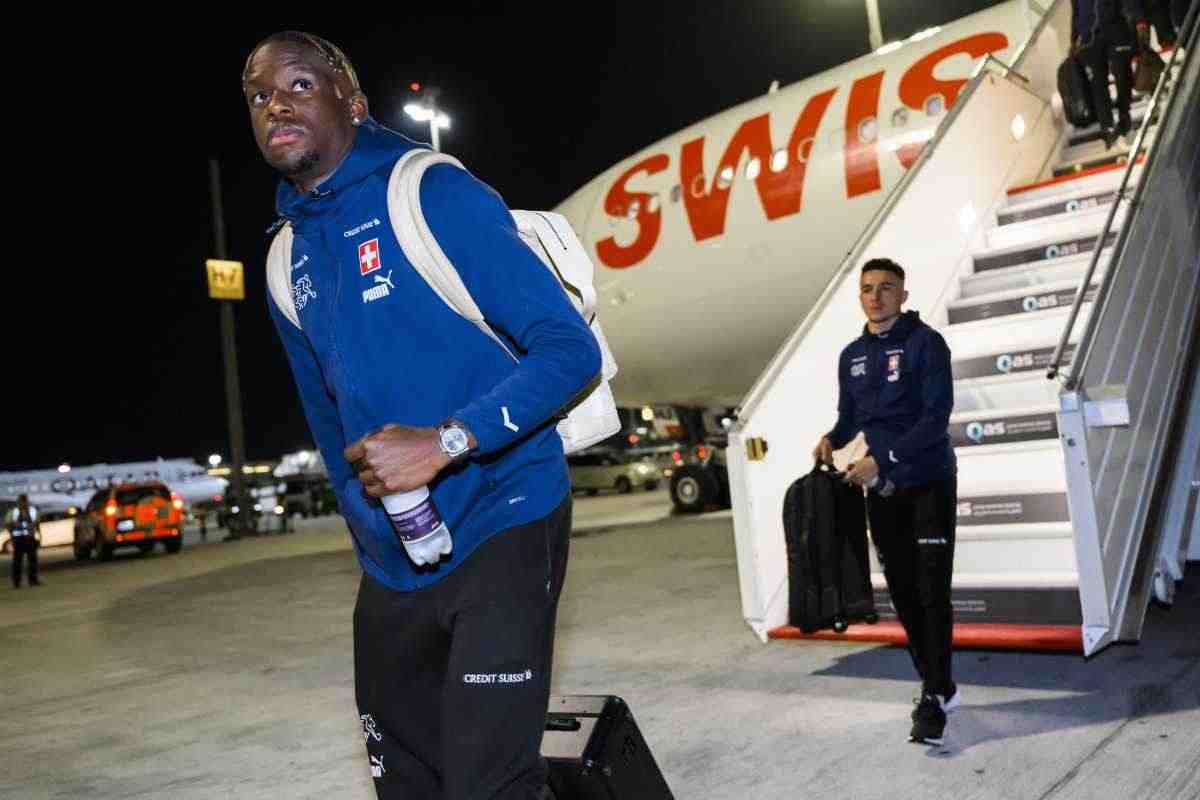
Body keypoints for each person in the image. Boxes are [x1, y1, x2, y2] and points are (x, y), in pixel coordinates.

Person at [243, 31, 601, 799]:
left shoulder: (430, 193)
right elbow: (330, 428)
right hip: (393, 554)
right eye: (259, 94)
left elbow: (570, 352)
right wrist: (368, 526)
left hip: (507, 513)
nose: (275, 103)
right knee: (405, 781)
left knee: (489, 784)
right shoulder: (283, 259)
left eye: (299, 85)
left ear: (352, 103)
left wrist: (446, 441)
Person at [812, 258, 958, 746]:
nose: (876, 297)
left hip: (929, 481)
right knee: (902, 591)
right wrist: (832, 438)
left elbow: (936, 418)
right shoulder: (852, 355)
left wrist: (883, 458)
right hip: (882, 490)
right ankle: (938, 683)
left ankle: (932, 697)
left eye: (886, 288)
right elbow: (849, 417)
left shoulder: (926, 344)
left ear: (903, 295)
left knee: (931, 591)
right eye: (868, 289)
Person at [1071, 0, 1150, 147]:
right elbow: (1075, 10)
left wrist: (1139, 19)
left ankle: (1124, 114)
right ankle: (1107, 127)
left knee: (1122, 74)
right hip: (1089, 37)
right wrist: (1074, 38)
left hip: (1116, 27)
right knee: (1098, 84)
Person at [7, 495, 42, 588]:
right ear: (18, 502)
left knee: (32, 561)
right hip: (18, 539)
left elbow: (37, 523)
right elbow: (8, 524)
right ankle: (17, 583)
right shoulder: (13, 512)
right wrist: (12, 534)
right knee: (17, 562)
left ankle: (33, 580)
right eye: (21, 502)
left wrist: (39, 536)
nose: (23, 503)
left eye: (25, 501)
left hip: (30, 538)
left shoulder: (33, 511)